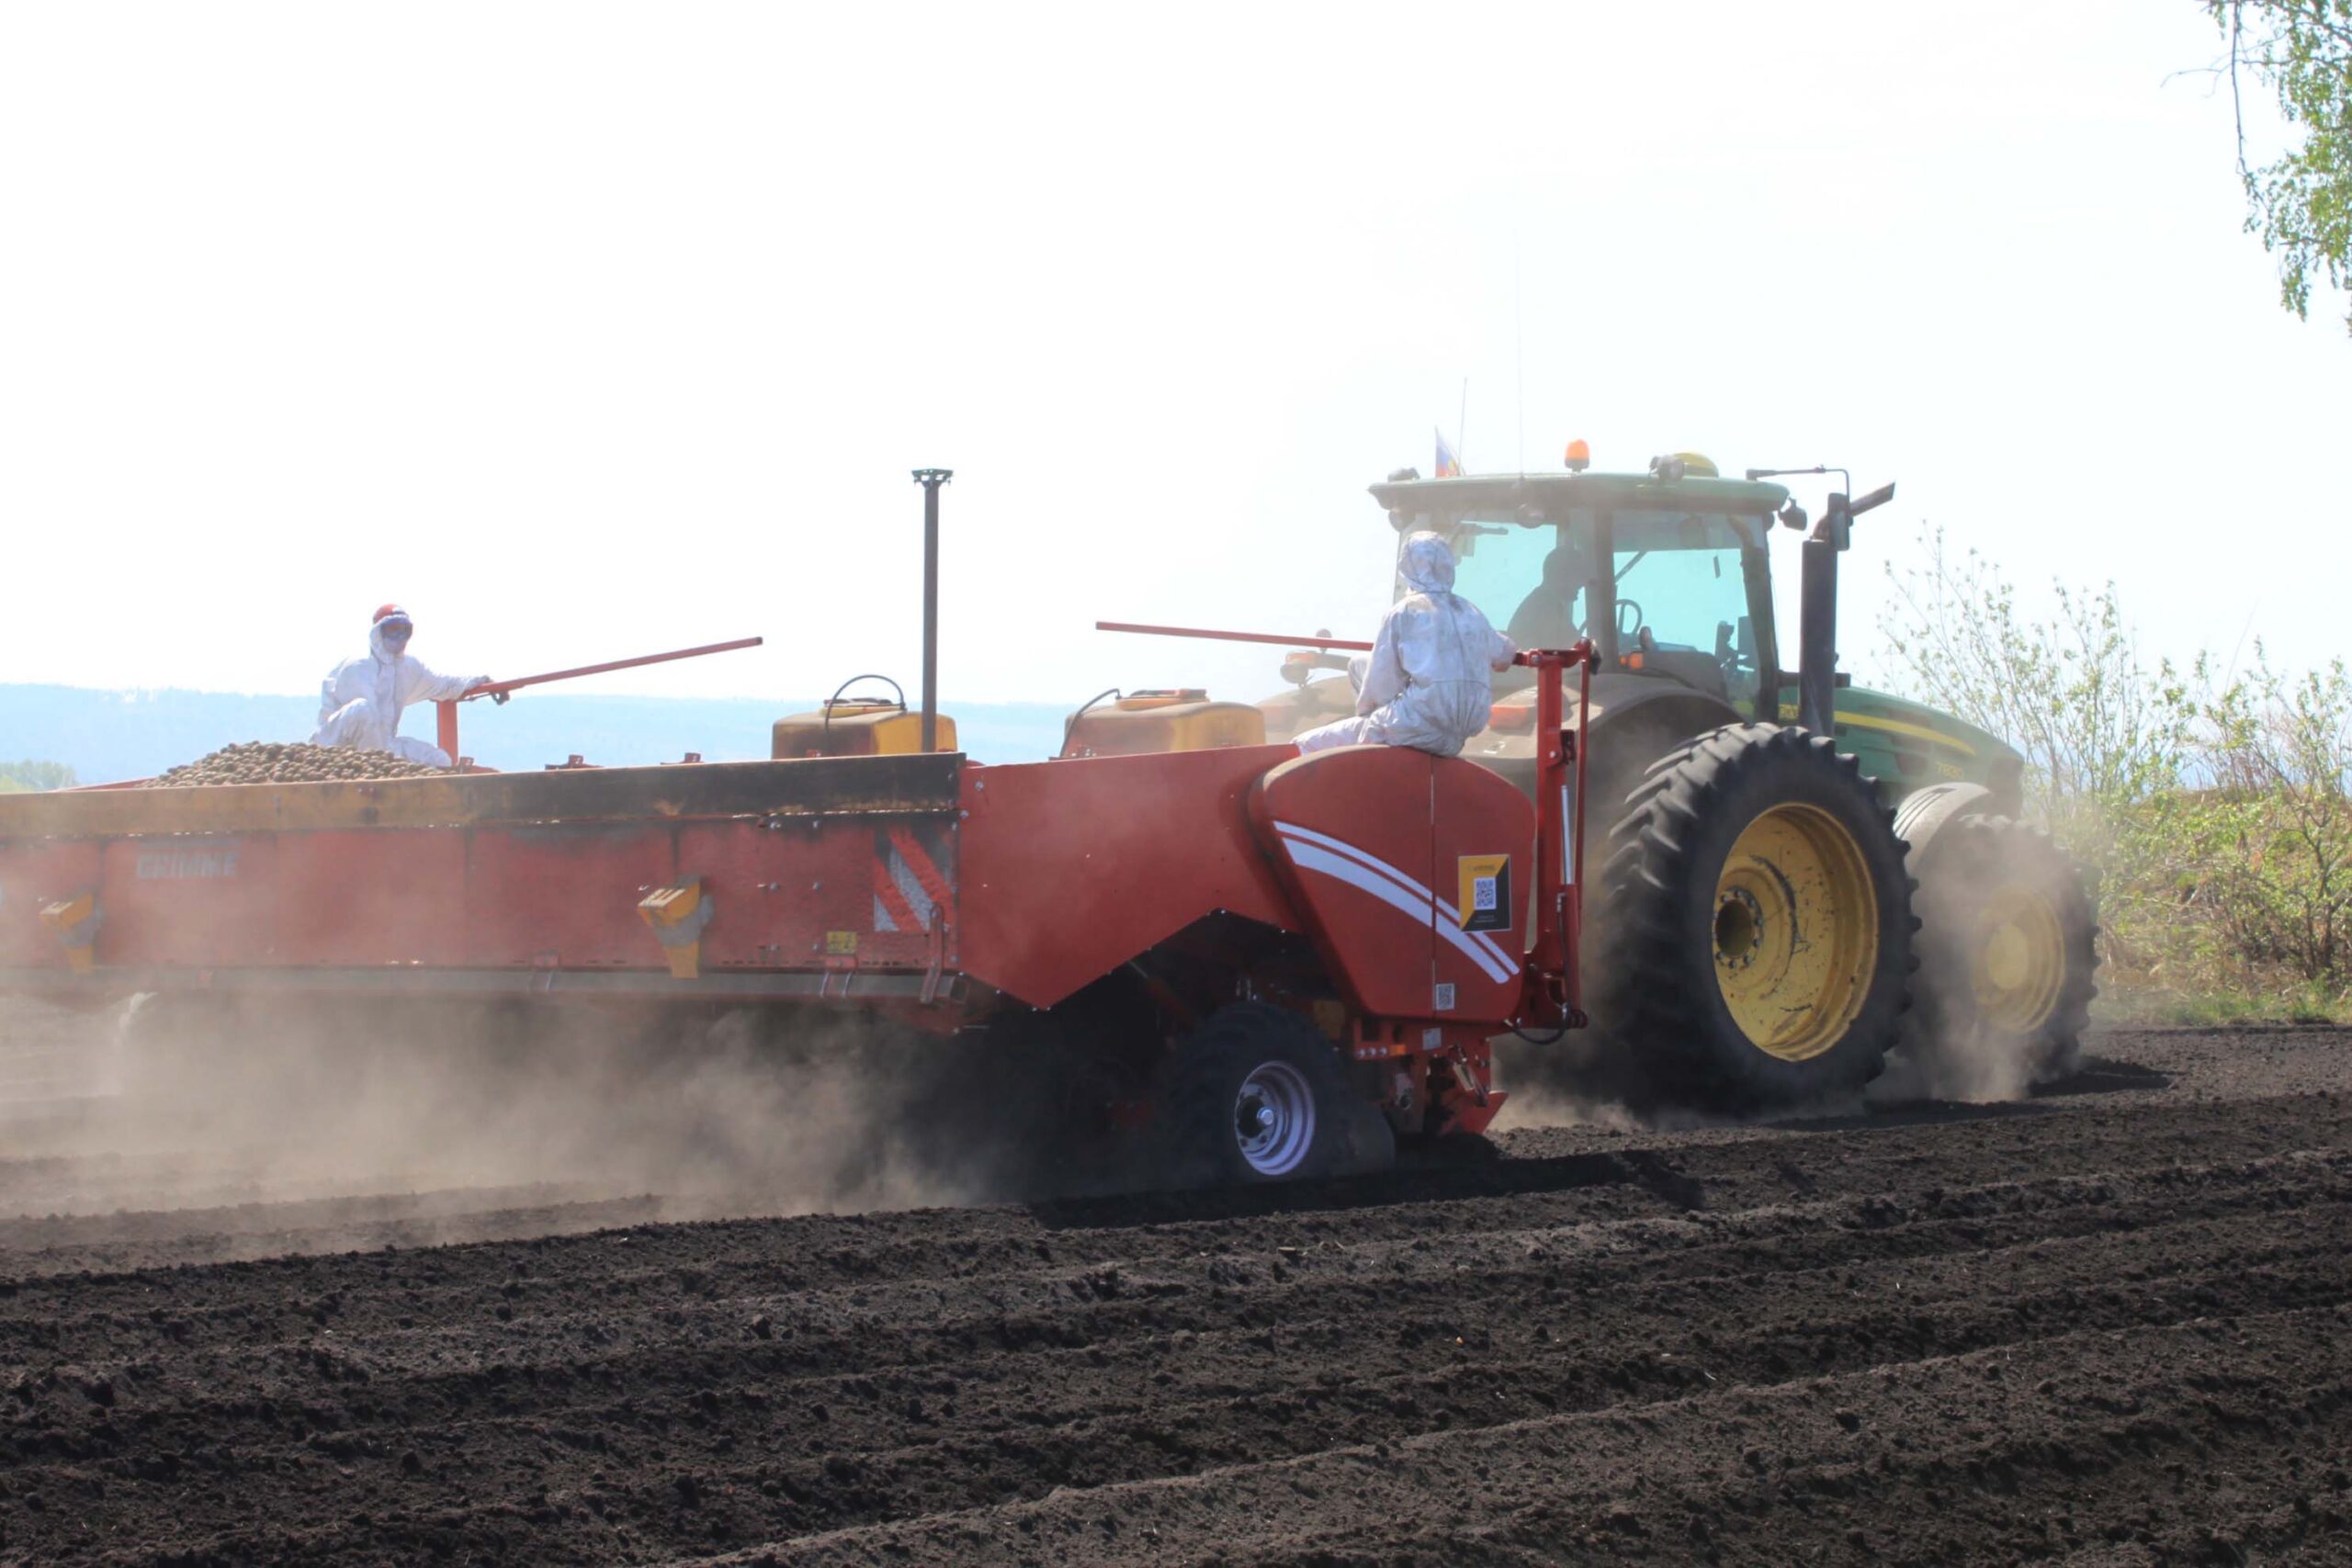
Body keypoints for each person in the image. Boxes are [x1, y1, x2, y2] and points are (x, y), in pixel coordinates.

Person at [1295, 532, 1518, 757]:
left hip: (1415, 727)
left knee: (1304, 745)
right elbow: (1505, 653)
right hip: (1459, 734)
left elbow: (1381, 687)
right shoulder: (1471, 613)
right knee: (1357, 664)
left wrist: (1370, 720)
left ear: (1408, 567)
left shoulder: (1404, 612)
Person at [313, 604, 491, 768]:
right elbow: (364, 723)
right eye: (393, 629)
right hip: (336, 748)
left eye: (405, 631)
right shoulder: (358, 666)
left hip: (384, 746)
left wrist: (483, 682)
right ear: (378, 632)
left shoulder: (408, 667)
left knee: (440, 760)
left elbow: (444, 685)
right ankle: (377, 772)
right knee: (362, 709)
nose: (400, 637)